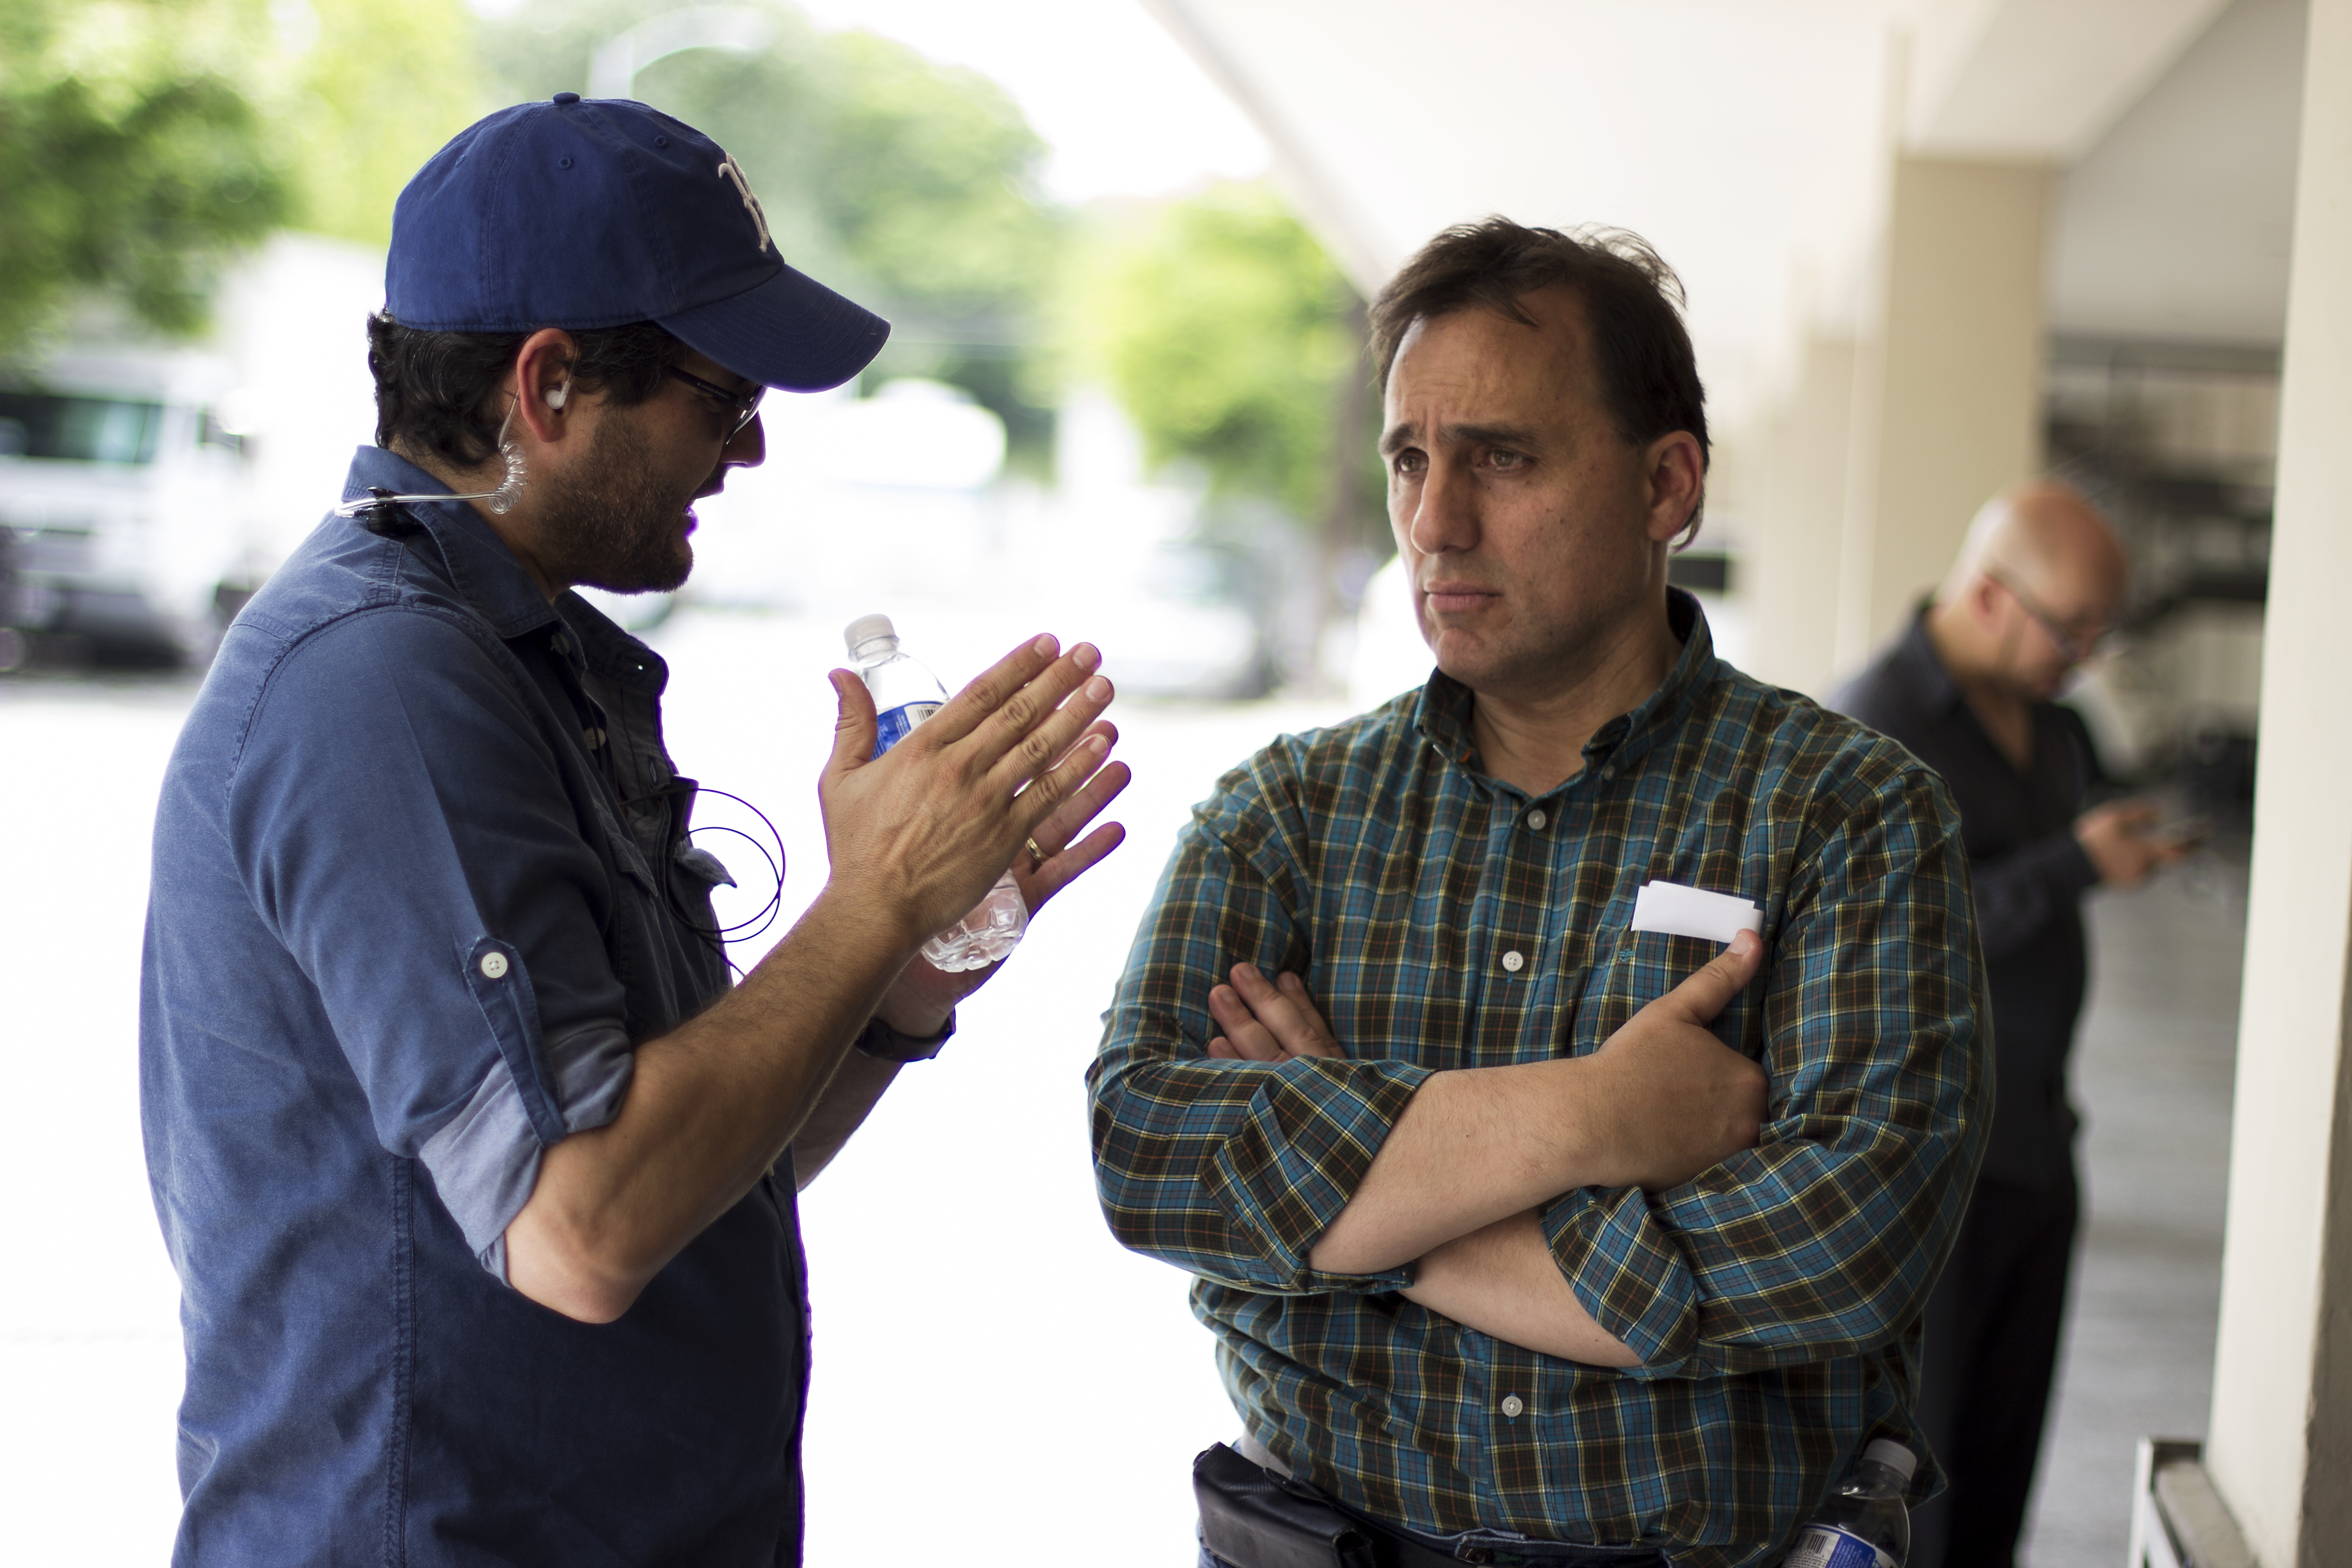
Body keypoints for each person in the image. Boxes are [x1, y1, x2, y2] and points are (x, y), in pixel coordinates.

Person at [140, 95, 1127, 1564]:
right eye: (725, 398)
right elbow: (583, 1225)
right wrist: (868, 900)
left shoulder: (517, 662)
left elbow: (698, 1177)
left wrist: (896, 982)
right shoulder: (383, 678)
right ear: (546, 386)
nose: (747, 456)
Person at [1087, 217, 1989, 1568]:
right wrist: (1594, 1118)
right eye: (1409, 458)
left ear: (1666, 483)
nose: (1436, 523)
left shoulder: (1849, 815)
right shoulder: (1288, 814)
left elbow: (1835, 1249)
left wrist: (1363, 1198)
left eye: (1501, 458)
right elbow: (1148, 1155)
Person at [1835, 483, 2184, 1568]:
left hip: (2037, 1141)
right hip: (1927, 1166)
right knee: (1913, 1479)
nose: (2080, 656)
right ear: (1990, 594)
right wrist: (2075, 864)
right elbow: (1898, 924)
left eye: (2099, 635)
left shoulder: (2058, 725)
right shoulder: (1875, 719)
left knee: (2002, 1468)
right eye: (2069, 627)